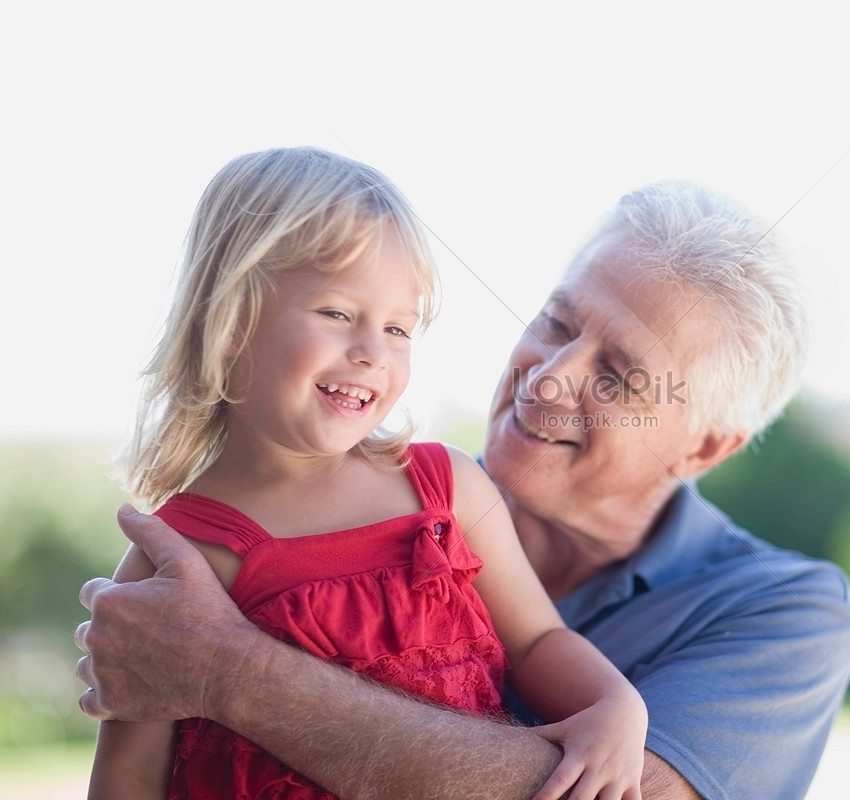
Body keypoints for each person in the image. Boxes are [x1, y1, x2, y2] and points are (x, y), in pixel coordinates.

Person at [77, 178, 850, 799]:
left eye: (620, 375)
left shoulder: (786, 615)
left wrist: (228, 672)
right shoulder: (405, 499)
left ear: (705, 447)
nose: (548, 379)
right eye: (556, 323)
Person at [85, 146, 648, 800]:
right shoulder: (179, 557)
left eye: (399, 328)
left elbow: (539, 640)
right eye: (337, 314)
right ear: (233, 319)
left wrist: (616, 708)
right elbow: (127, 778)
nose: (372, 352)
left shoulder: (448, 490)